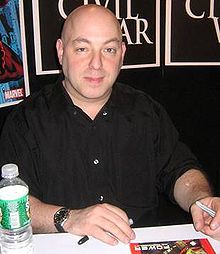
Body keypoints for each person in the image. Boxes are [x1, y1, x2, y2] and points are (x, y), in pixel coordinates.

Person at [0, 4, 220, 246]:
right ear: (61, 51)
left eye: (109, 49)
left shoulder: (146, 111)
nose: (97, 63)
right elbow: (12, 203)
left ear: (122, 54)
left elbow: (180, 171)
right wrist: (68, 218)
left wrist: (200, 201)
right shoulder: (26, 120)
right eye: (82, 48)